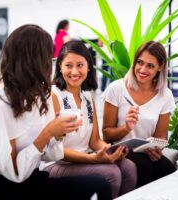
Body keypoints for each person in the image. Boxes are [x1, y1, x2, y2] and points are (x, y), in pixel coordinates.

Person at [0, 24, 111, 200]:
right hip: (4, 188)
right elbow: (15, 173)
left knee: (101, 186)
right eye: (48, 58)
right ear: (32, 61)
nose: (51, 64)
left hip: (33, 179)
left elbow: (52, 154)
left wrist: (59, 133)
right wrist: (48, 132)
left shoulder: (39, 96)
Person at [46, 40, 137, 198]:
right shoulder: (53, 95)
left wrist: (110, 151)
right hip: (57, 164)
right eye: (68, 65)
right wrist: (94, 158)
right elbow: (54, 150)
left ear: (88, 67)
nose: (74, 71)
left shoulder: (88, 97)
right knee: (112, 173)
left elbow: (94, 141)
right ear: (59, 66)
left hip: (86, 158)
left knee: (129, 167)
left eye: (80, 65)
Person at [102, 41, 176, 187]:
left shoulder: (165, 95)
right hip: (121, 150)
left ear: (160, 68)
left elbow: (161, 136)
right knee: (144, 167)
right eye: (140, 62)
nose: (142, 69)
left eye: (150, 66)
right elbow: (106, 134)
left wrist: (157, 149)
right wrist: (126, 128)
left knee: (168, 169)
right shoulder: (116, 88)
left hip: (146, 152)